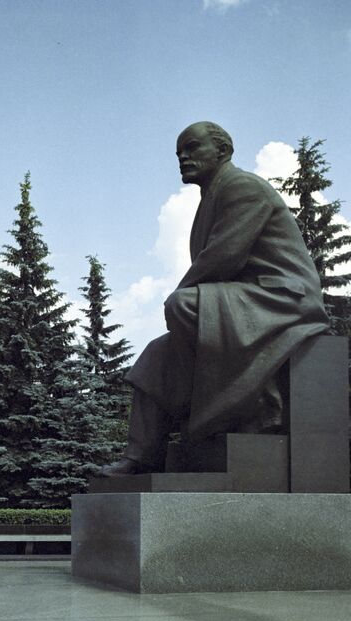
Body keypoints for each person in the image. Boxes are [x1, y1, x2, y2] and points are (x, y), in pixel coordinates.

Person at [99, 121, 329, 476]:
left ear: (222, 151)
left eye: (192, 148)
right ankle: (142, 456)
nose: (183, 157)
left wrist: (178, 295)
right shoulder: (212, 197)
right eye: (178, 152)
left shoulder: (242, 186)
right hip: (246, 299)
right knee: (156, 355)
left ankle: (253, 405)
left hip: (281, 298)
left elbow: (224, 255)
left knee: (184, 306)